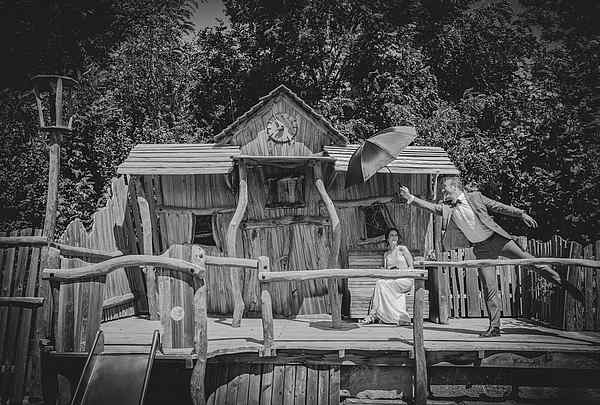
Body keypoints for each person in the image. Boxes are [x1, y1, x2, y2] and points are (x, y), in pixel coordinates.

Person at [398, 178, 584, 337]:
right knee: (489, 287)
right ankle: (494, 327)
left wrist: (520, 213)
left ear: (455, 187)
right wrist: (411, 198)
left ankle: (563, 283)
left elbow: (498, 206)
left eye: (445, 187)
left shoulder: (475, 197)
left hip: (497, 240)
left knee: (531, 262)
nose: (442, 190)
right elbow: (431, 207)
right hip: (482, 250)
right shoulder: (447, 207)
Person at [359, 228, 415, 326]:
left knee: (381, 284)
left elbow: (411, 267)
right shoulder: (386, 255)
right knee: (380, 283)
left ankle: (374, 315)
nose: (394, 237)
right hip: (392, 281)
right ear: (387, 239)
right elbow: (386, 271)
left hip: (405, 279)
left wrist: (401, 272)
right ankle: (377, 314)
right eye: (391, 235)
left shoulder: (402, 249)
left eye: (395, 235)